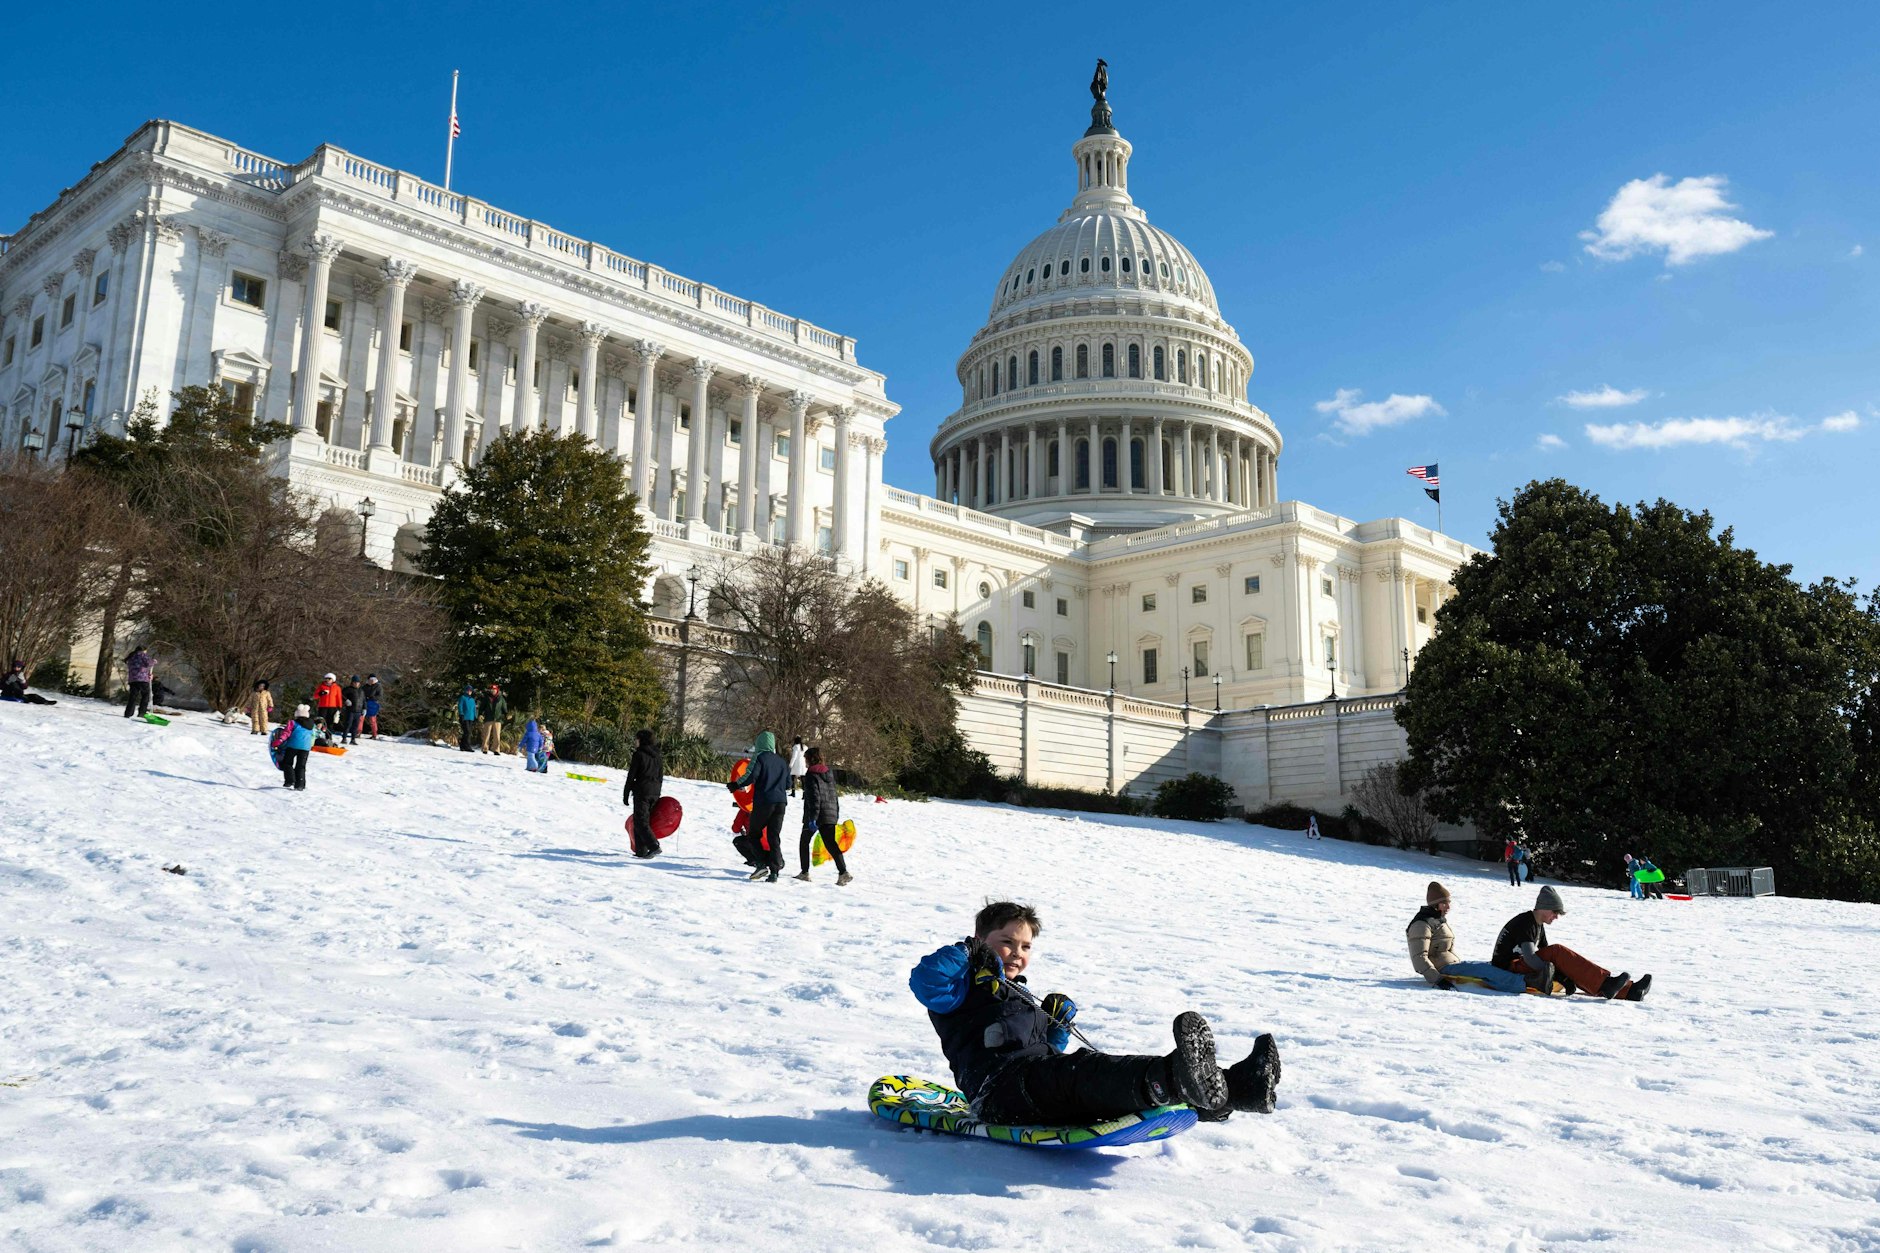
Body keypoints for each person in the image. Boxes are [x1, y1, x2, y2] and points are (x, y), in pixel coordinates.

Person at [908, 901, 1280, 1127]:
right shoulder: (960, 989)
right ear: (981, 940)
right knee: (1081, 1073)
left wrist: (1056, 1026)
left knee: (1093, 1074)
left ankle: (1236, 1089)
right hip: (999, 1094)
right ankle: (1178, 1079)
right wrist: (967, 952)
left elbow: (1043, 1050)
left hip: (1035, 1085)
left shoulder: (1018, 995)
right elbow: (925, 982)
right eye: (1006, 942)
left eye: (1025, 946)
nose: (1017, 952)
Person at [1492, 886, 1652, 1001]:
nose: (1556, 917)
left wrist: (1566, 973)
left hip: (1520, 963)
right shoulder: (1526, 923)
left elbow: (1545, 954)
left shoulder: (1538, 924)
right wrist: (1559, 974)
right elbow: (1530, 958)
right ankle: (1607, 984)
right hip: (1509, 966)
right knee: (1557, 951)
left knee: (1560, 956)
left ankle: (1630, 990)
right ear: (1544, 908)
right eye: (1555, 912)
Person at [1407, 882, 1524, 993]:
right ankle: (1525, 983)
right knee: (1486, 971)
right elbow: (1419, 958)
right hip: (1442, 970)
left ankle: (1526, 976)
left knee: (1491, 965)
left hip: (1452, 965)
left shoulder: (1437, 920)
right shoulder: (1421, 924)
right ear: (1435, 905)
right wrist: (1438, 980)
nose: (1448, 907)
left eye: (1449, 902)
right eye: (1444, 903)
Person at [726, 731, 790, 882]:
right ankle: (774, 872)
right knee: (774, 836)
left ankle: (761, 864)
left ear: (760, 743)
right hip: (781, 803)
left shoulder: (759, 757)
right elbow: (788, 784)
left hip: (764, 802)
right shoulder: (782, 762)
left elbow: (751, 776)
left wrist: (736, 785)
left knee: (754, 834)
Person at [794, 746, 852, 885]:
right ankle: (843, 872)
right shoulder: (829, 774)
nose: (805, 762)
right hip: (830, 814)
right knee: (831, 844)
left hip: (816, 815)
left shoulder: (811, 775)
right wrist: (835, 815)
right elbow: (833, 796)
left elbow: (814, 797)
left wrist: (813, 818)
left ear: (809, 759)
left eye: (805, 759)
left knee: (804, 842)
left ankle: (804, 872)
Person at [624, 729, 664, 858]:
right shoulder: (657, 755)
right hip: (655, 792)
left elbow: (631, 775)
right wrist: (657, 791)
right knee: (641, 821)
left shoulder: (639, 754)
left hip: (642, 791)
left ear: (641, 740)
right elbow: (660, 775)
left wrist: (626, 793)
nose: (635, 741)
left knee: (641, 822)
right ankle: (641, 851)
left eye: (637, 739)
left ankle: (654, 846)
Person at [280, 703, 317, 790]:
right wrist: (310, 745)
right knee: (301, 766)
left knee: (287, 762)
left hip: (293, 745)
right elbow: (313, 736)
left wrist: (280, 740)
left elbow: (287, 733)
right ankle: (300, 784)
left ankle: (290, 780)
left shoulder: (293, 723)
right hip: (305, 748)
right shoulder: (312, 725)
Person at [123, 645, 154, 719]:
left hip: (133, 679)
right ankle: (142, 712)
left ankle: (128, 713)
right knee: (145, 695)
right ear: (144, 650)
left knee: (133, 696)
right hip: (142, 679)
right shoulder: (143, 655)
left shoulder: (131, 657)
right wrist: (154, 661)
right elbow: (149, 663)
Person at [480, 683, 508, 755]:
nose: (493, 691)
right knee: (486, 734)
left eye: (494, 690)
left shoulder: (501, 698)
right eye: (492, 690)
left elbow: (504, 708)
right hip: (488, 718)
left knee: (497, 735)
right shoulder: (486, 697)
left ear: (497, 690)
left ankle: (496, 750)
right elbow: (482, 707)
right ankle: (485, 749)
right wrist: (480, 714)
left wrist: (506, 714)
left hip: (497, 719)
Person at [341, 676, 364, 744]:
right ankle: (344, 738)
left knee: (355, 726)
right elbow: (341, 695)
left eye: (358, 683)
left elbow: (364, 700)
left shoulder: (361, 691)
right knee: (348, 724)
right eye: (355, 682)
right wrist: (346, 700)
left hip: (358, 711)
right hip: (350, 710)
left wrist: (365, 708)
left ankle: (353, 739)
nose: (357, 684)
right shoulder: (348, 689)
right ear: (352, 682)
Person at [455, 684, 478, 752]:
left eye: (470, 691)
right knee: (467, 731)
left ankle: (462, 745)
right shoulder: (463, 697)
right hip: (464, 717)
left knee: (467, 732)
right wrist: (461, 715)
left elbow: (474, 709)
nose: (469, 692)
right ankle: (467, 746)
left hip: (471, 717)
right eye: (468, 690)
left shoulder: (472, 700)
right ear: (465, 691)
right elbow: (460, 706)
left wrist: (475, 716)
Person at [360, 674, 384, 740]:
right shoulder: (365, 687)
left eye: (373, 679)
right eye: (371, 679)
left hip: (373, 704)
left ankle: (374, 734)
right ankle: (358, 732)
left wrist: (372, 697)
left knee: (372, 720)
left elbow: (380, 696)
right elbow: (361, 694)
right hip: (364, 703)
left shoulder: (378, 686)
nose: (372, 680)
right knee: (361, 718)